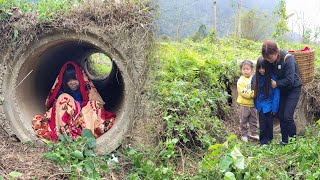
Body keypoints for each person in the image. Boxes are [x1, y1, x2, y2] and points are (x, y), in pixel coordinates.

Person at [32, 61, 116, 141]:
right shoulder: (61, 92)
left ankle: (88, 134)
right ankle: (64, 133)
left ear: (80, 78)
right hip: (67, 119)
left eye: (75, 79)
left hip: (83, 117)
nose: (72, 83)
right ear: (65, 81)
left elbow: (92, 104)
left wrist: (80, 108)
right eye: (69, 80)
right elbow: (57, 108)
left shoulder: (85, 90)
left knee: (95, 103)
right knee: (64, 98)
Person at [262, 40, 302, 145]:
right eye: (266, 58)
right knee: (280, 114)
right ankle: (284, 140)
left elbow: (290, 80)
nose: (268, 60)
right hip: (282, 90)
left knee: (287, 115)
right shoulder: (269, 61)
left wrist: (277, 84)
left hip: (293, 89)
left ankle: (293, 140)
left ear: (276, 52)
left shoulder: (288, 59)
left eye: (269, 57)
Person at [252, 57, 280, 145]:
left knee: (269, 124)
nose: (261, 70)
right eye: (259, 68)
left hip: (270, 105)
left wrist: (275, 108)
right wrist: (256, 105)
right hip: (260, 105)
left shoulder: (272, 77)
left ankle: (269, 140)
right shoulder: (255, 77)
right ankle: (263, 141)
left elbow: (276, 93)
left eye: (263, 68)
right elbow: (254, 92)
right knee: (262, 124)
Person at [237, 60, 259, 142]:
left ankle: (254, 133)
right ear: (241, 70)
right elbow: (242, 92)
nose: (245, 71)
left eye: (247, 69)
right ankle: (244, 134)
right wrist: (252, 94)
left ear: (252, 70)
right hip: (244, 105)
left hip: (253, 105)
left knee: (253, 120)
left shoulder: (254, 78)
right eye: (243, 69)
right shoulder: (240, 81)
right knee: (243, 120)